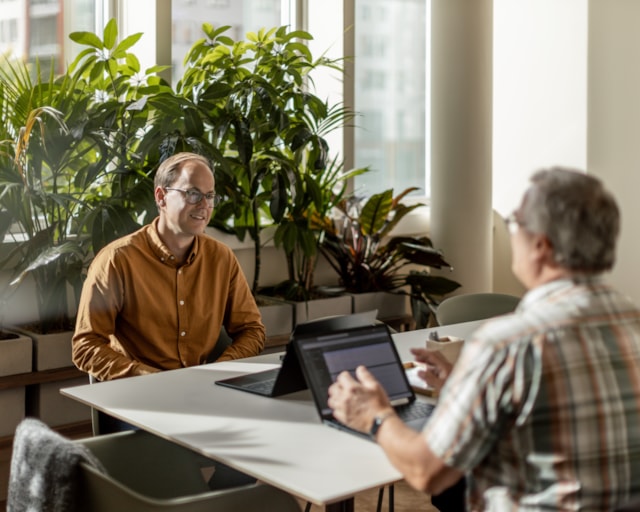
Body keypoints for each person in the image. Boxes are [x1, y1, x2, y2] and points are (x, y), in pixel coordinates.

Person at [328, 167, 640, 511]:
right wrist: (468, 388)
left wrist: (374, 415)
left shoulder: (508, 343)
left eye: (516, 221)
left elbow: (426, 471)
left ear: (541, 244)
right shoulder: (631, 323)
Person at [72, 152, 266, 382]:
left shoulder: (221, 258)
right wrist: (149, 378)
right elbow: (86, 346)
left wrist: (217, 371)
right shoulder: (116, 261)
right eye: (193, 194)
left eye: (210, 195)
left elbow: (252, 331)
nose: (204, 205)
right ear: (161, 197)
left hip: (203, 391)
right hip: (139, 398)